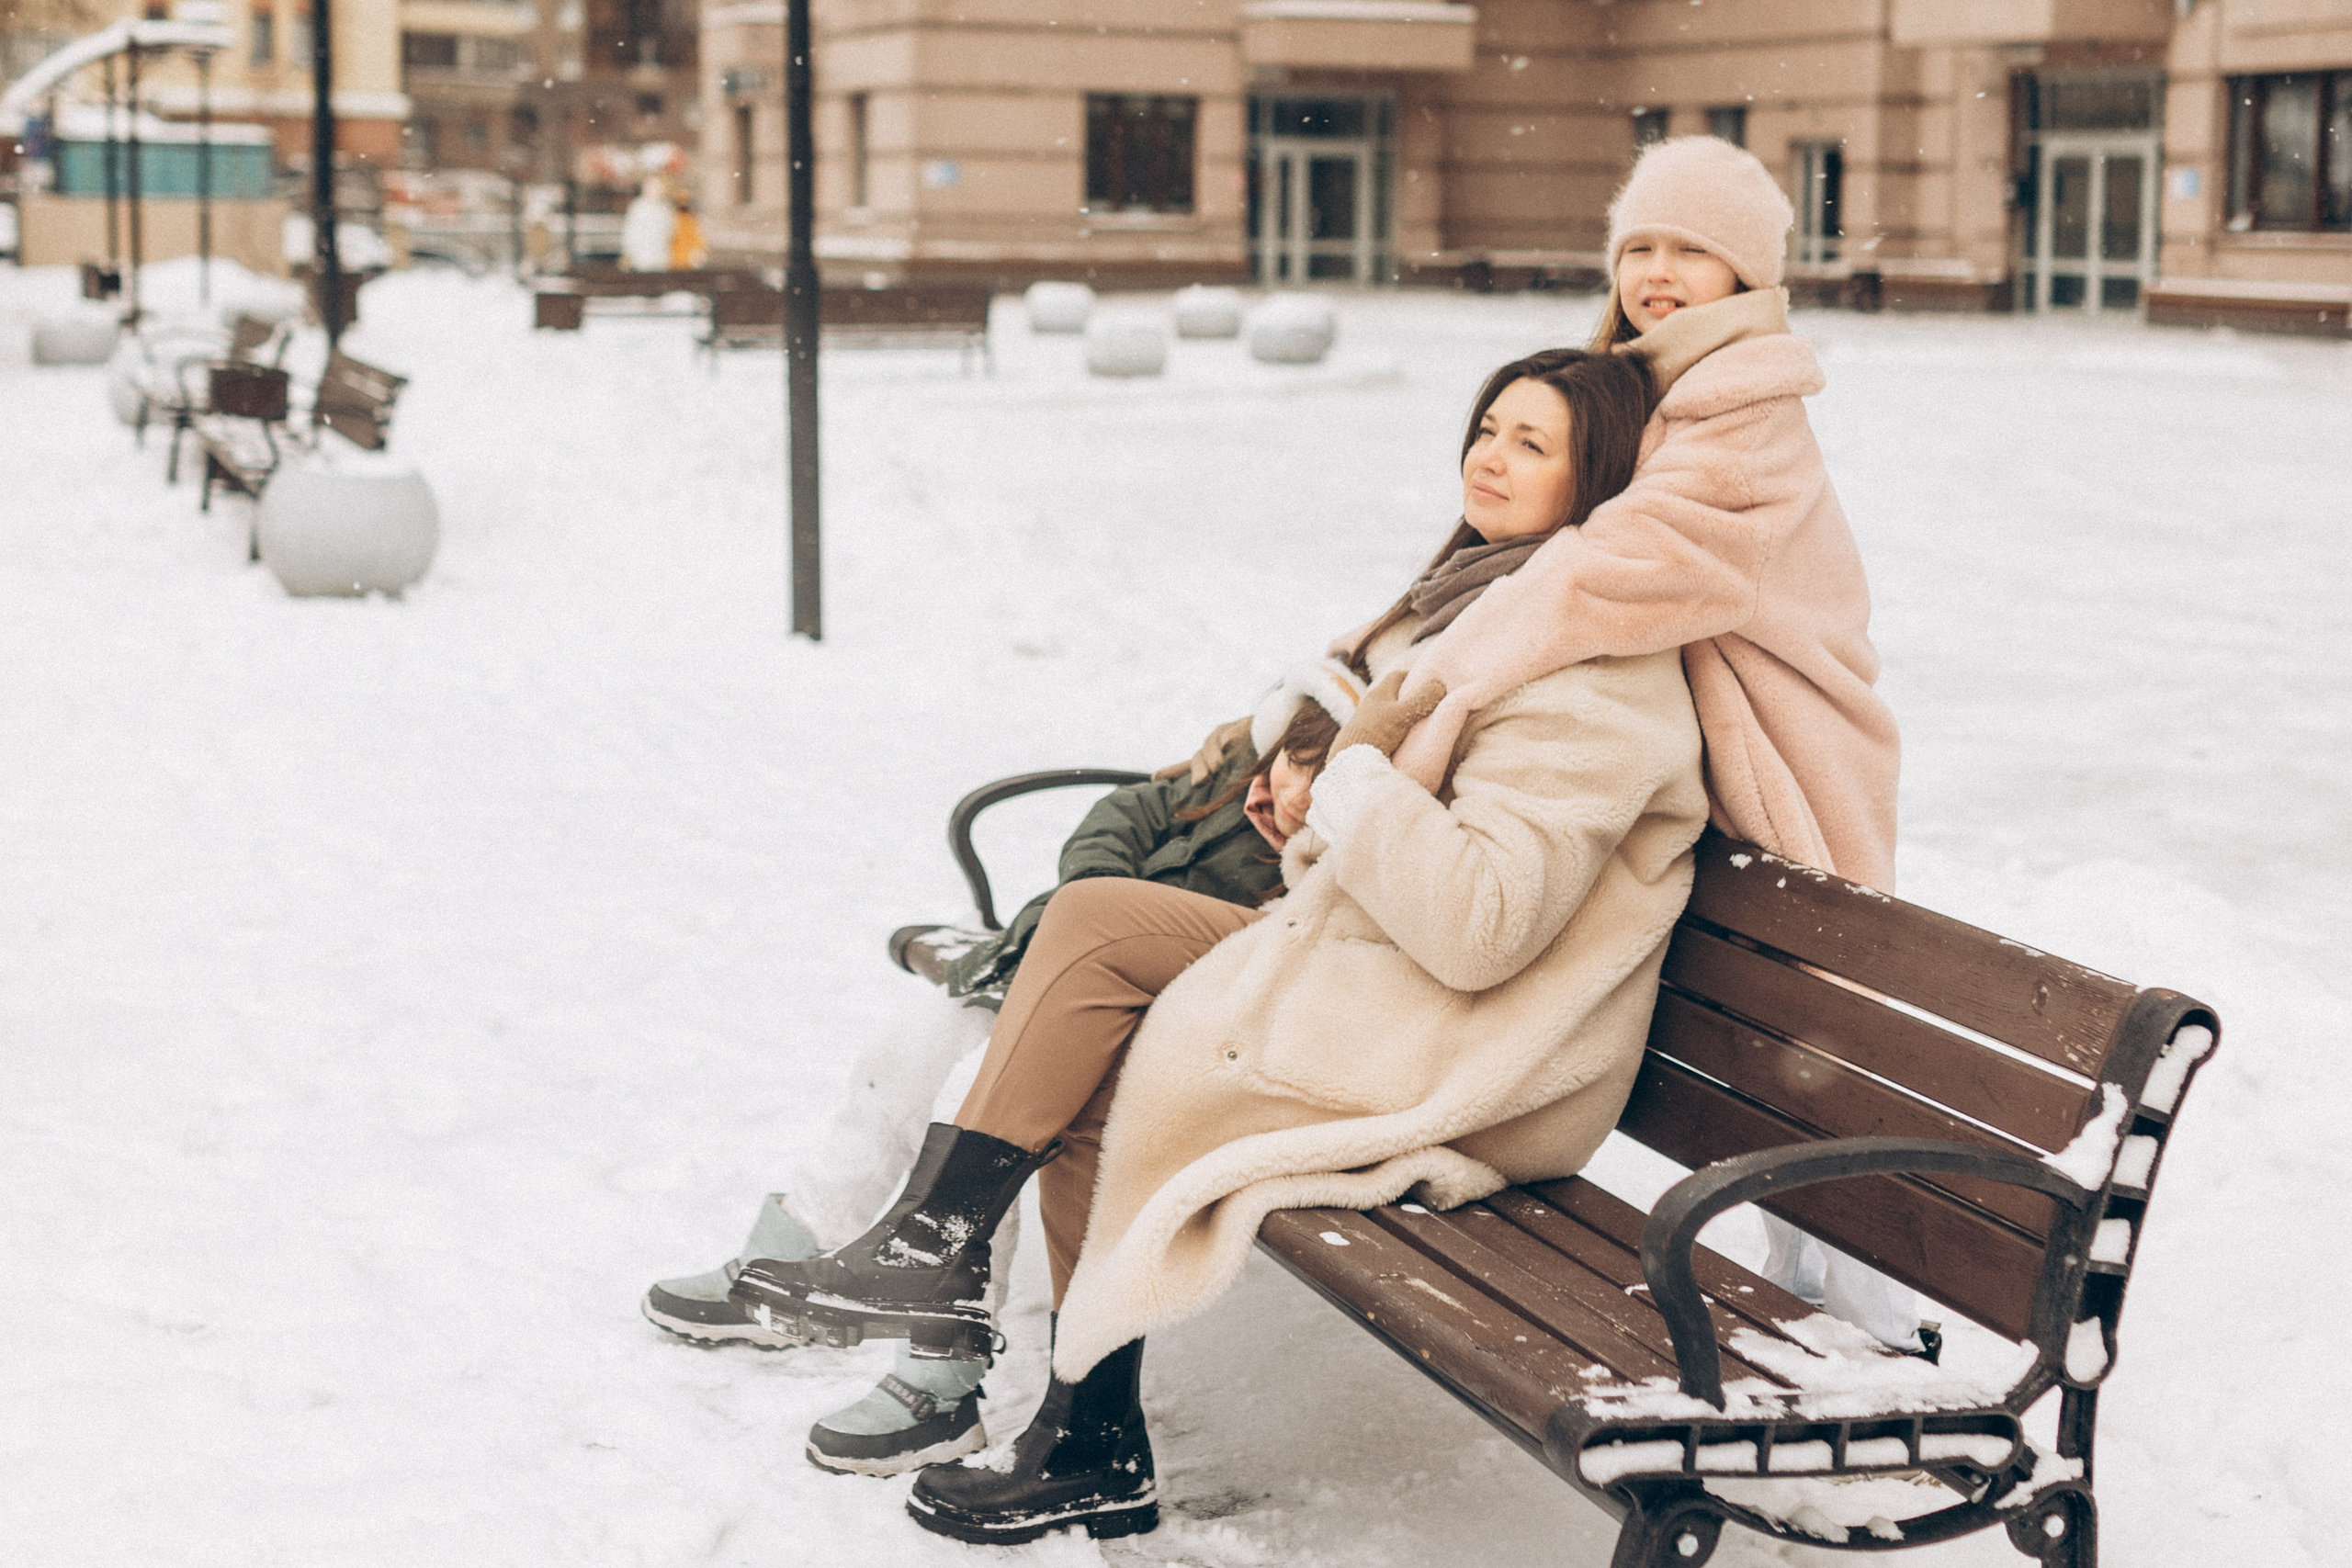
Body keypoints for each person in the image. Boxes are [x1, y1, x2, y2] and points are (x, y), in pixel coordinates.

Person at [728, 346, 1713, 1545]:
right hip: (1375, 986)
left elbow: (1481, 925)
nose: (1489, 457)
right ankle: (1058, 1398)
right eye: (1488, 427)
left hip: (1464, 1054)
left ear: (1598, 478)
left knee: (1102, 953)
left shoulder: (1597, 673)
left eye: (1531, 443)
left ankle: (950, 1257)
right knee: (1101, 1011)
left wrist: (1345, 777)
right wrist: (1300, 778)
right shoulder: (1487, 612)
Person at [1181, 135, 1919, 1353]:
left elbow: (1608, 576)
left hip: (1791, 753)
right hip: (1688, 752)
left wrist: (1418, 704)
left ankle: (1868, 1317)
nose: (1658, 271)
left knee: (1803, 1043)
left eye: (1692, 250)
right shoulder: (1643, 381)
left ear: (1750, 276)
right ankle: (1839, 1289)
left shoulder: (1746, 409)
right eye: (1640, 246)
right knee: (1778, 1046)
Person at [639, 682, 1351, 1477]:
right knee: (909, 1048)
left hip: (1152, 1028)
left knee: (981, 1089)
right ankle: (797, 1248)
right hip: (1052, 973)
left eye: (1319, 783)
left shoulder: (1323, 863)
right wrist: (1097, 894)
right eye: (1292, 761)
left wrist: (1117, 922)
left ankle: (938, 1379)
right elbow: (1131, 810)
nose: (1291, 791)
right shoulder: (1231, 779)